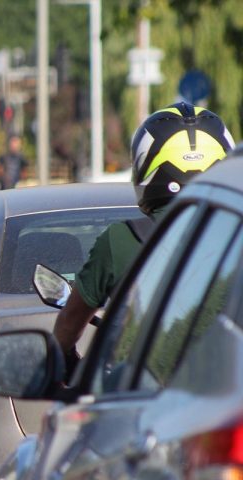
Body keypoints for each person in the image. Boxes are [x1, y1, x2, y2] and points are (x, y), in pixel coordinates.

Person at [53, 102, 234, 366]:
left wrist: (60, 363)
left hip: (141, 397)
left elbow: (69, 324)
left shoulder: (120, 239)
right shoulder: (235, 235)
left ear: (146, 163)